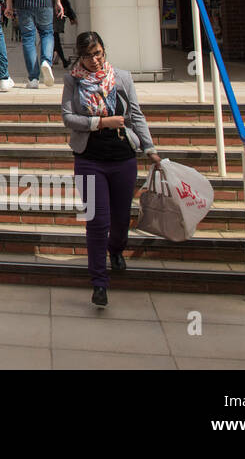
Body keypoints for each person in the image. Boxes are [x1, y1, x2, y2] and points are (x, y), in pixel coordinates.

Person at [62, 31, 161, 308]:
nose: (94, 60)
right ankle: (99, 283)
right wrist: (100, 124)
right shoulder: (73, 80)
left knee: (120, 220)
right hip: (89, 159)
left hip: (123, 159)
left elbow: (136, 115)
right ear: (79, 57)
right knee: (97, 222)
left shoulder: (122, 78)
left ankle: (116, 250)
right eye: (87, 56)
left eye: (98, 54)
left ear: (104, 51)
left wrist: (149, 147)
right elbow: (68, 117)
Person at [52, 0, 78, 68]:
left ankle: (58, 59)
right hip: (51, 17)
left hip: (56, 18)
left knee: (54, 39)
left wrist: (71, 16)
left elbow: (66, 3)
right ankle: (62, 60)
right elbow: (66, 3)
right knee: (54, 39)